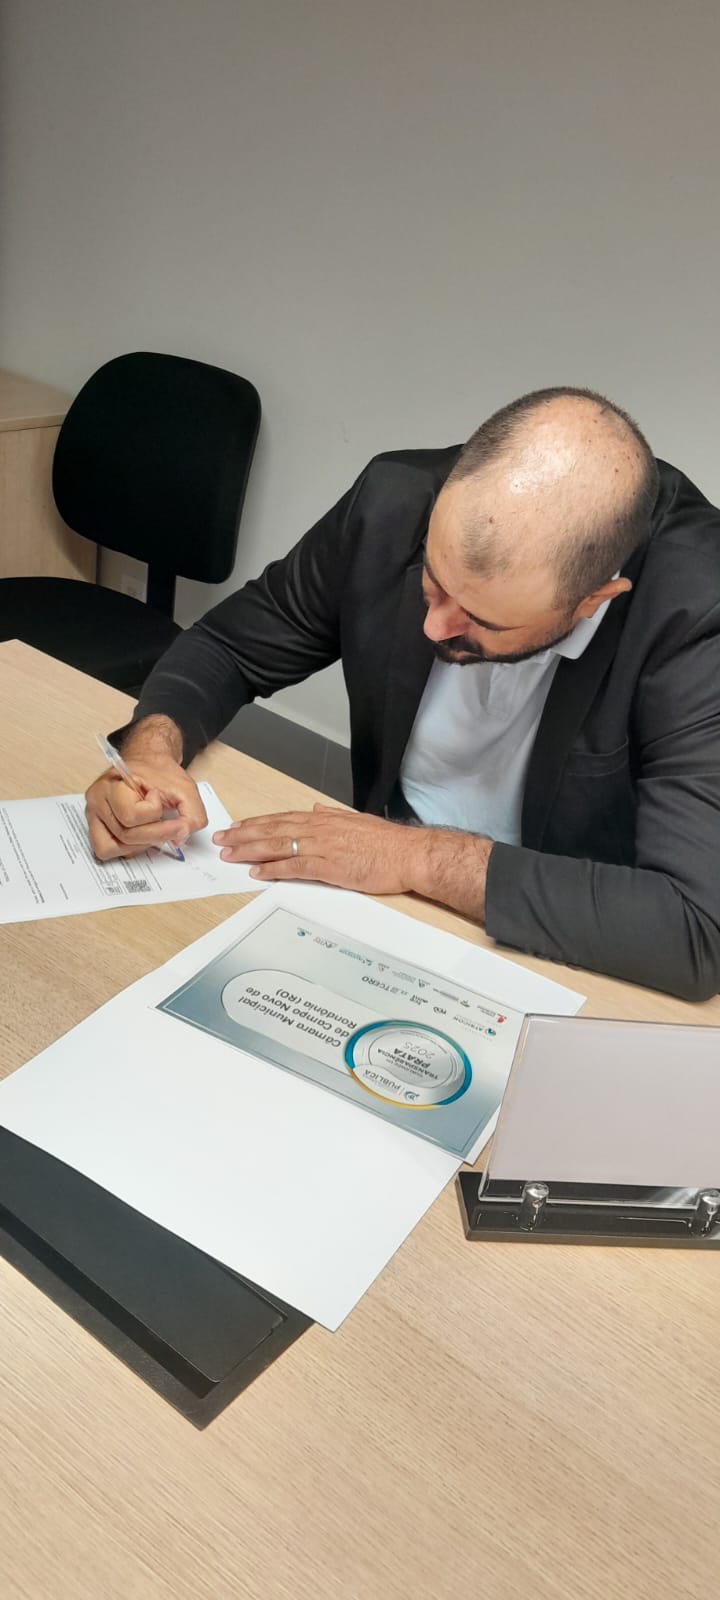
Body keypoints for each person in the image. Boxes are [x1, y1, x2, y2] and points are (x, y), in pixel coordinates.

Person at [85, 386, 720, 1001]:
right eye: (433, 583)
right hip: (376, 897)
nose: (435, 627)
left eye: (481, 620)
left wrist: (417, 857)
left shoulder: (699, 610)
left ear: (593, 602)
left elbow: (694, 928)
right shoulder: (396, 501)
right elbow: (231, 646)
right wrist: (151, 750)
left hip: (565, 945)